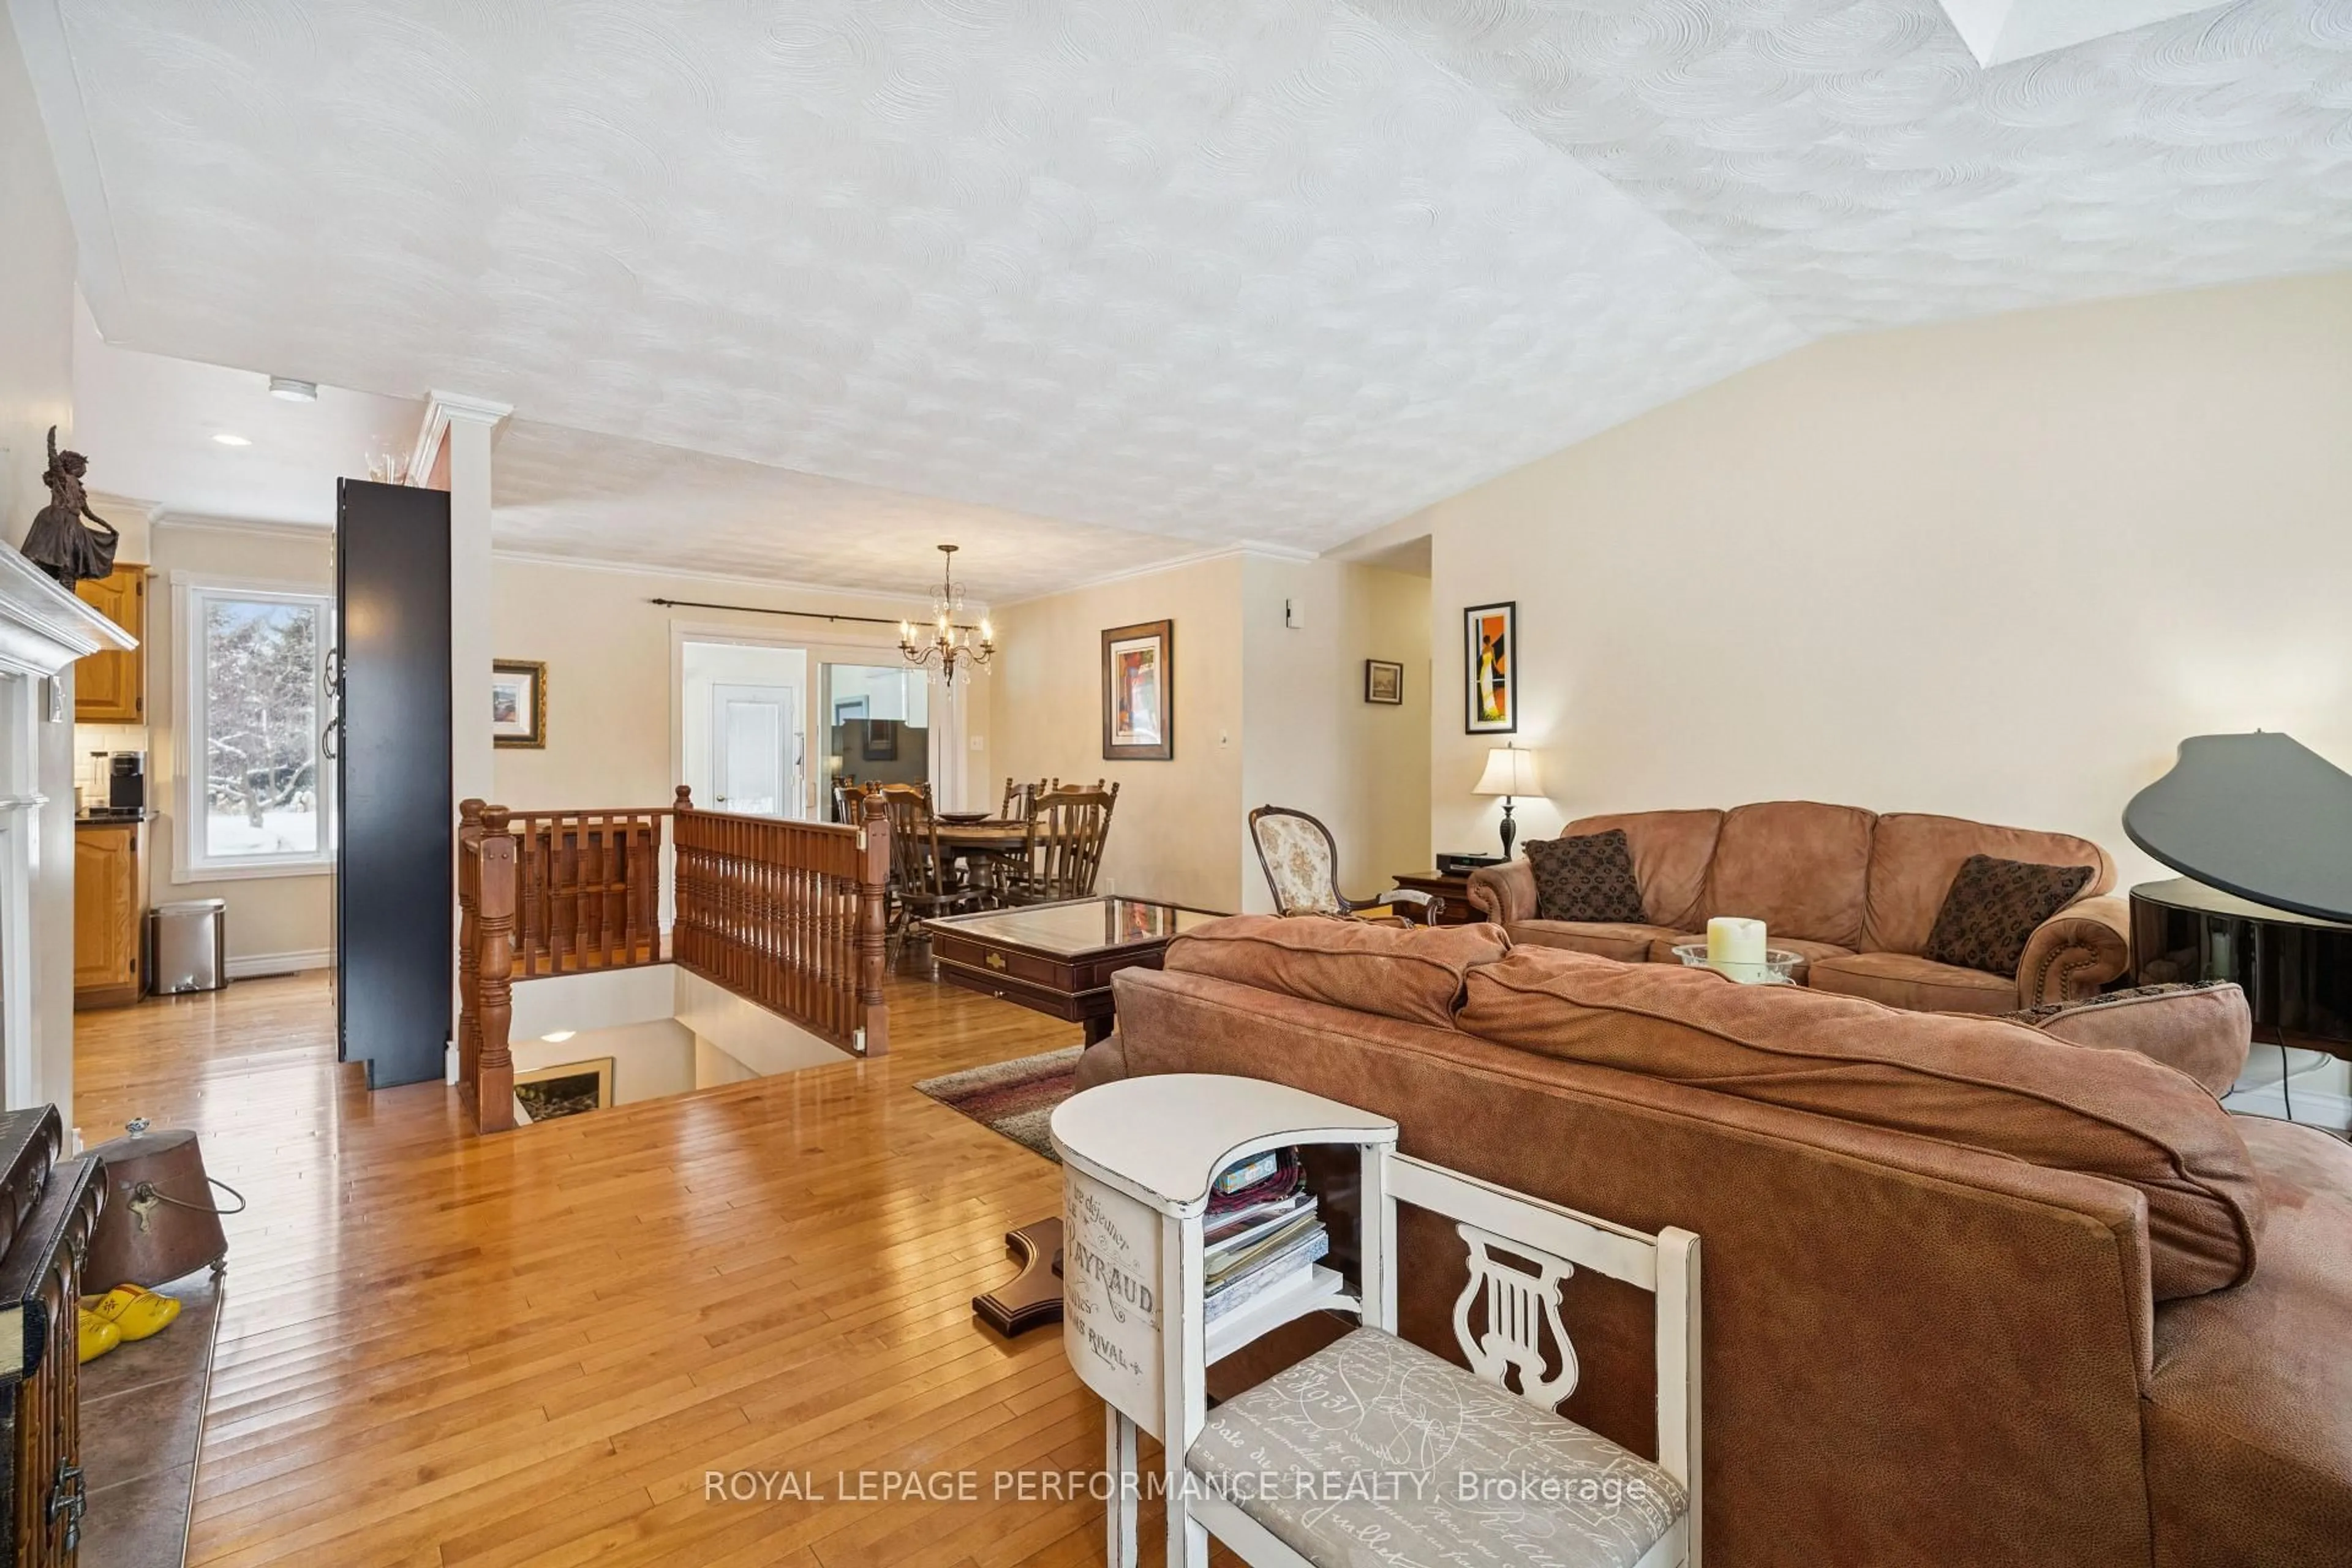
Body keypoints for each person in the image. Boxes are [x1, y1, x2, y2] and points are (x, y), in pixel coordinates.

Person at [20, 426, 120, 587]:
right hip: (59, 521)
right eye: (82, 467)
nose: (84, 471)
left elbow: (88, 513)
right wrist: (51, 442)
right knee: (62, 562)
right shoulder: (63, 479)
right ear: (74, 466)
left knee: (70, 565)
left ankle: (68, 598)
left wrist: (107, 526)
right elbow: (54, 461)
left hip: (73, 526)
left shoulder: (79, 490)